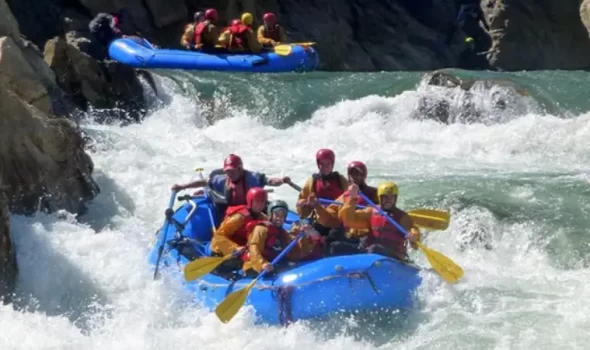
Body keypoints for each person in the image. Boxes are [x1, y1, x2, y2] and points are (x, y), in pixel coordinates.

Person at [171, 154, 290, 215]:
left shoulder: (251, 178)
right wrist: (182, 186)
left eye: (232, 171)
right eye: (227, 171)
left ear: (240, 169)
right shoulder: (222, 179)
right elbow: (204, 182)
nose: (229, 174)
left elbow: (269, 181)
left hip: (250, 210)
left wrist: (281, 180)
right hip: (233, 211)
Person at [335, 182, 421, 262]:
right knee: (336, 246)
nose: (389, 200)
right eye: (385, 197)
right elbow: (348, 220)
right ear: (380, 198)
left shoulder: (403, 217)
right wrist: (352, 199)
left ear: (396, 198)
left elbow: (415, 238)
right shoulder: (371, 212)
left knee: (374, 248)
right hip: (370, 254)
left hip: (395, 258)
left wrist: (414, 237)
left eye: (392, 197)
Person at [242, 200, 321, 276]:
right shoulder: (261, 229)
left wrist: (304, 237)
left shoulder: (283, 233)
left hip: (273, 265)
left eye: (282, 215)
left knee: (290, 265)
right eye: (277, 214)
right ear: (270, 215)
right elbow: (254, 249)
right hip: (255, 267)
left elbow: (295, 255)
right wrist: (262, 264)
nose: (279, 218)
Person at [209, 187, 268, 275]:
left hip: (242, 250)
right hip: (222, 251)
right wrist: (235, 248)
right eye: (258, 202)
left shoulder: (262, 217)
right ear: (250, 202)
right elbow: (219, 236)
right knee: (249, 262)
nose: (261, 205)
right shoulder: (239, 217)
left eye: (263, 202)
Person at [322, 161, 379, 250]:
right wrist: (318, 207)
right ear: (349, 176)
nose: (356, 177)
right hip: (349, 233)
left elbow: (383, 210)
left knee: (336, 246)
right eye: (353, 175)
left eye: (359, 174)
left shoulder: (374, 193)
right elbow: (330, 213)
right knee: (329, 240)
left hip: (364, 233)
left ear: (364, 176)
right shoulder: (345, 196)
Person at [296, 149, 348, 236]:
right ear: (318, 164)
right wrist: (305, 204)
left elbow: (349, 198)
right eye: (321, 164)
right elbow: (301, 203)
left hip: (337, 220)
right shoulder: (312, 181)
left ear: (332, 164)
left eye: (328, 163)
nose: (325, 166)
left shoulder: (340, 180)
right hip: (319, 221)